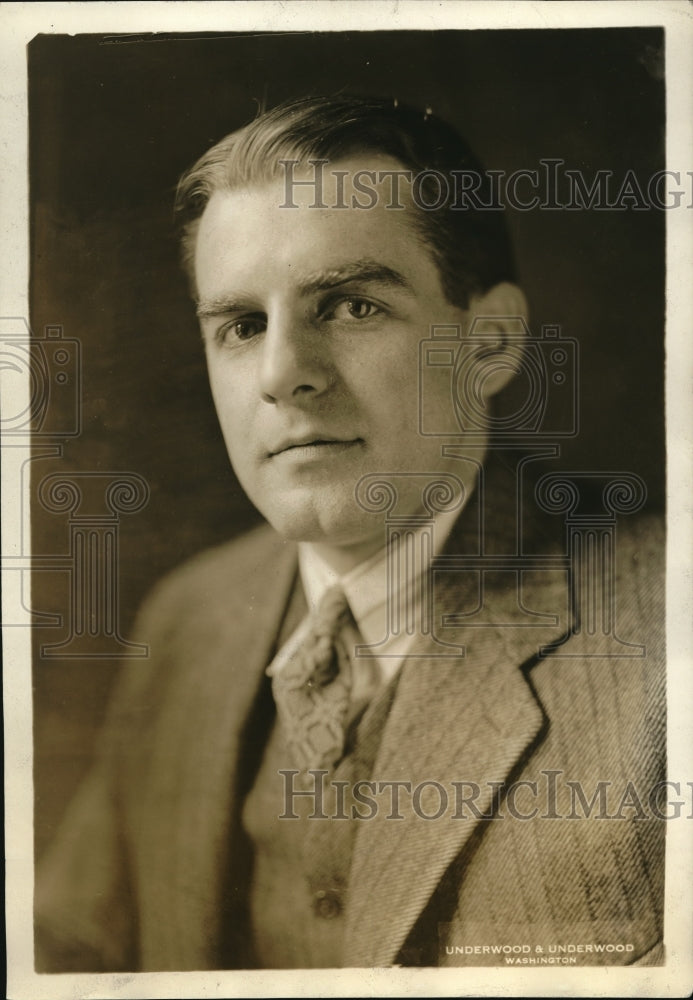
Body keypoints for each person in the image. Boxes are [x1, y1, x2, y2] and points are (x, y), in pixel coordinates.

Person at [35, 95, 665, 971]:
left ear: (490, 341)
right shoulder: (188, 617)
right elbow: (68, 953)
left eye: (351, 307)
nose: (283, 373)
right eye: (242, 326)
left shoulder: (662, 637)